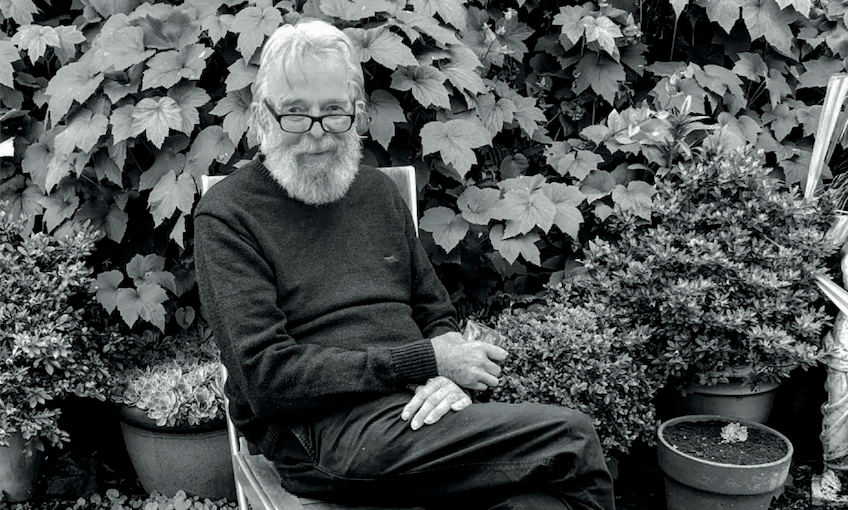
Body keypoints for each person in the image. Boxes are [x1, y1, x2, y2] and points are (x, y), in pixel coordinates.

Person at [194, 18, 615, 510]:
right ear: (263, 116)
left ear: (357, 112)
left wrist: (444, 377)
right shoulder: (229, 214)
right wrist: (424, 362)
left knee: (535, 504)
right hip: (322, 433)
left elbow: (434, 312)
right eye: (295, 113)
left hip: (414, 411)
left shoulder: (377, 193)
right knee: (571, 440)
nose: (317, 134)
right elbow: (267, 378)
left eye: (334, 112)